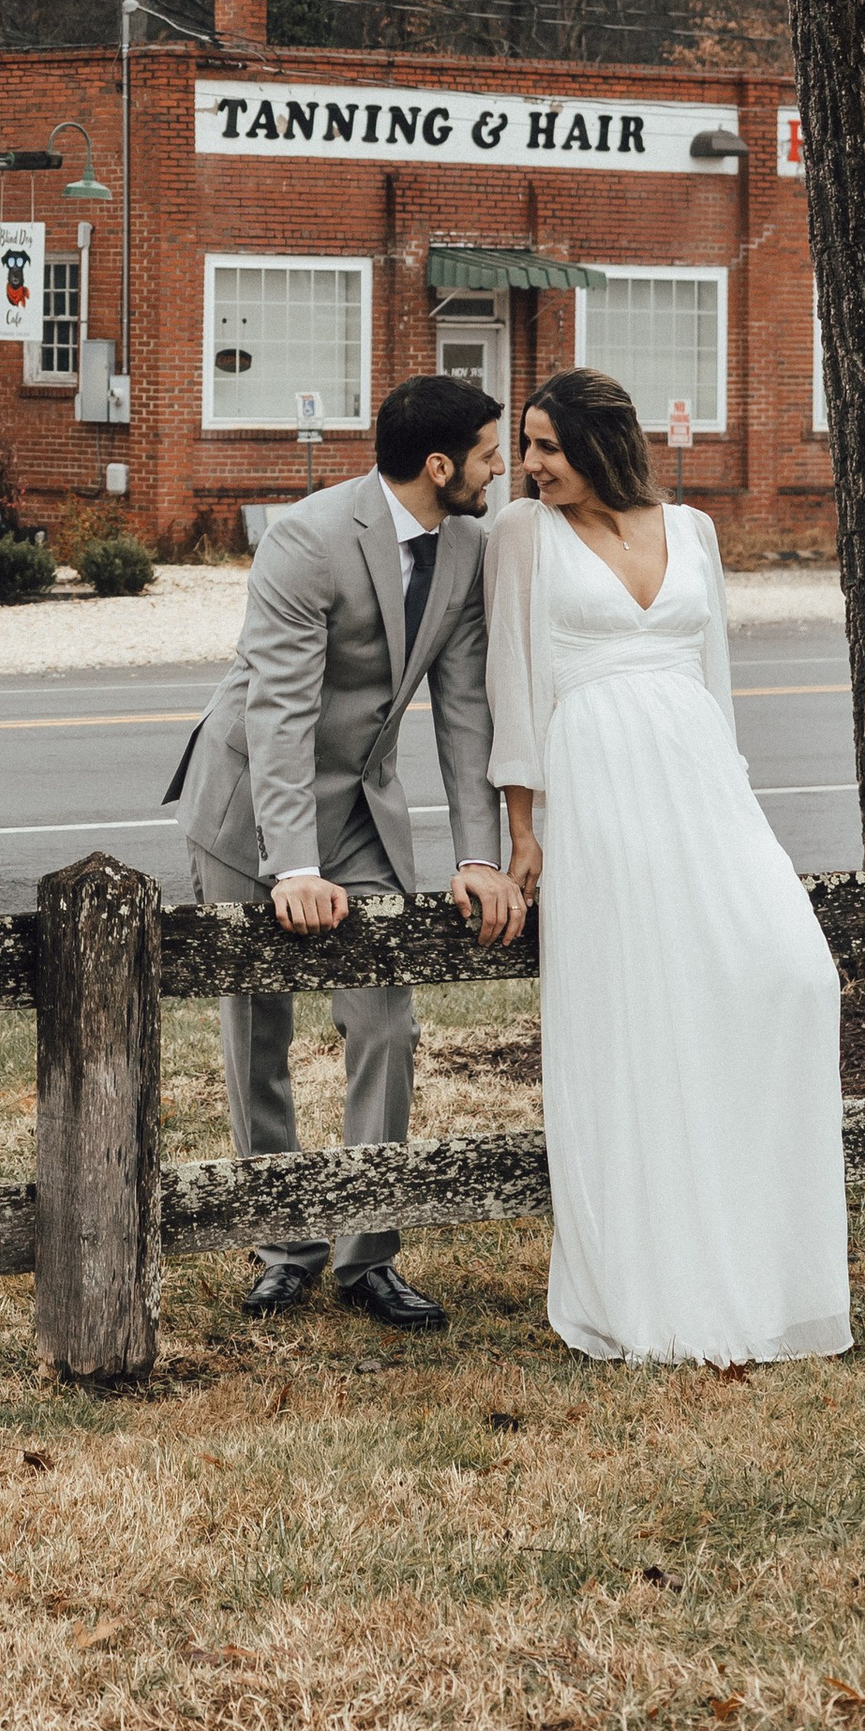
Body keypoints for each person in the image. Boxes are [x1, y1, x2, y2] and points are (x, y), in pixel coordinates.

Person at [485, 368, 851, 1368]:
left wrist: (735, 801)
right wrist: (522, 827)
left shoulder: (691, 532)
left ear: (601, 446)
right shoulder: (523, 535)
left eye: (547, 448)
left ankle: (765, 1266)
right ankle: (654, 1285)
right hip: (594, 782)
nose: (528, 466)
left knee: (790, 973)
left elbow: (713, 678)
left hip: (703, 784)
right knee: (639, 1016)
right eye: (523, 446)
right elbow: (512, 683)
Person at [169, 373, 525, 1329]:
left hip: (364, 810)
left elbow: (464, 712)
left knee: (384, 1024)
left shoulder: (468, 548)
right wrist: (292, 869)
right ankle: (283, 1241)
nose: (504, 470)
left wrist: (479, 854)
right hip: (252, 810)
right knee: (259, 1032)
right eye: (491, 455)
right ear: (440, 465)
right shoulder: (307, 537)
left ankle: (369, 1252)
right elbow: (279, 715)